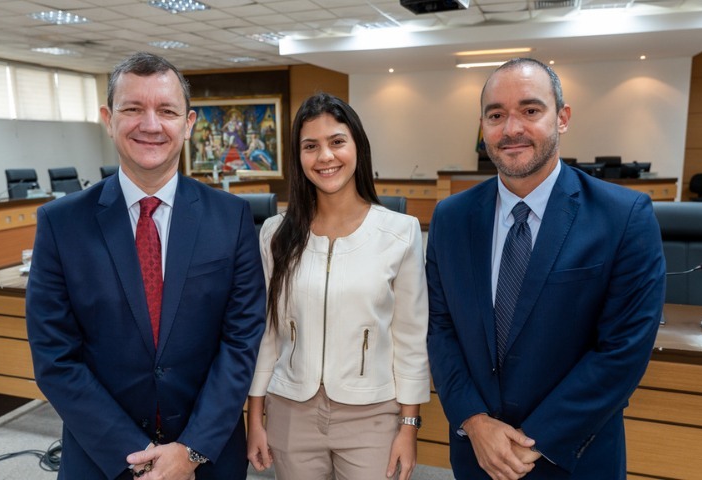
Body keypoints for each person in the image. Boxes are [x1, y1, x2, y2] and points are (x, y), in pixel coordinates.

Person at [26, 52, 266, 480]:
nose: (150, 125)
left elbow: (242, 340)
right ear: (108, 118)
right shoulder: (60, 224)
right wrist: (134, 455)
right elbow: (54, 358)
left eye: (167, 111)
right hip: (103, 459)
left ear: (189, 124)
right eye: (133, 109)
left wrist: (190, 450)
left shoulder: (231, 218)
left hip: (208, 456)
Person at [426, 58, 666, 480]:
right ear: (482, 126)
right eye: (496, 115)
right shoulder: (451, 216)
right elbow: (440, 327)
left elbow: (622, 352)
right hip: (477, 455)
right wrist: (474, 421)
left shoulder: (623, 215)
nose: (511, 128)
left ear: (563, 117)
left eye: (530, 111)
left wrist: (532, 440)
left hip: (574, 455)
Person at [245, 93, 431, 480]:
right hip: (290, 411)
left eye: (337, 142)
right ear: (298, 158)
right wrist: (255, 415)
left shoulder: (400, 233)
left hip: (372, 414)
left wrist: (409, 427)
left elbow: (411, 338)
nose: (325, 157)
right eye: (310, 146)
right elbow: (266, 335)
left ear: (357, 146)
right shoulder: (275, 235)